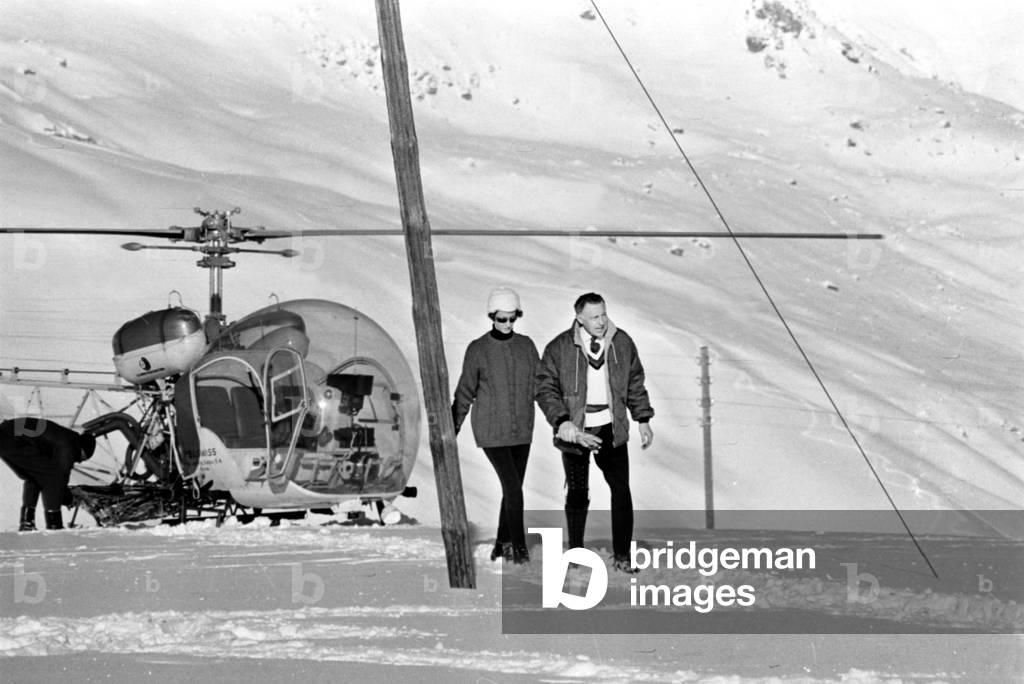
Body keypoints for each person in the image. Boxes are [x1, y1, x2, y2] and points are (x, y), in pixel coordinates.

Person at [536, 292, 654, 573]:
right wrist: (563, 422)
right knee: (578, 492)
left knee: (621, 490)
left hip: (611, 427)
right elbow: (544, 387)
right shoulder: (560, 348)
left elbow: (634, 380)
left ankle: (623, 557)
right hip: (575, 429)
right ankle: (576, 554)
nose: (601, 322)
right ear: (579, 318)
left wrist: (643, 418)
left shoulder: (621, 343)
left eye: (603, 314)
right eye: (594, 317)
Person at [452, 286, 540, 564]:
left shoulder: (526, 346)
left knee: (511, 489)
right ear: (492, 316)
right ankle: (519, 549)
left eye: (512, 318)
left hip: (522, 429)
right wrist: (452, 425)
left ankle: (502, 543)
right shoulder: (478, 349)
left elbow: (542, 386)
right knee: (514, 490)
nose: (508, 324)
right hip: (491, 431)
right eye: (502, 319)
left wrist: (561, 416)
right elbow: (465, 390)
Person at [0, 417, 96, 531]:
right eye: (80, 458)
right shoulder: (68, 446)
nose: (77, 461)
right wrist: (68, 498)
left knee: (34, 476)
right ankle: (54, 524)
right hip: (12, 440)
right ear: (81, 448)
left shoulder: (64, 436)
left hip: (7, 437)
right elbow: (60, 477)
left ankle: (27, 522)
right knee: (53, 476)